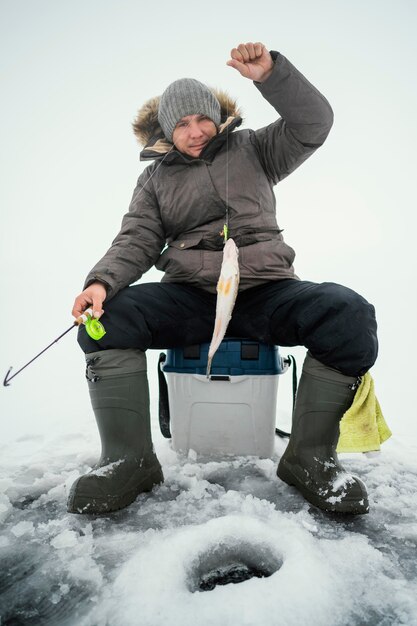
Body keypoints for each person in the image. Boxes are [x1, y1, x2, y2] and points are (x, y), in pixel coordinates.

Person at [67, 42, 378, 516]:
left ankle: (310, 458)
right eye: (182, 125)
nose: (195, 132)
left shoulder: (255, 147)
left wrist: (271, 75)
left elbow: (314, 123)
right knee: (109, 321)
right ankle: (128, 462)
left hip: (265, 290)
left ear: (218, 115)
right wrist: (101, 284)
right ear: (166, 131)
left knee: (347, 312)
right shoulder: (154, 180)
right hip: (190, 297)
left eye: (202, 119)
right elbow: (137, 239)